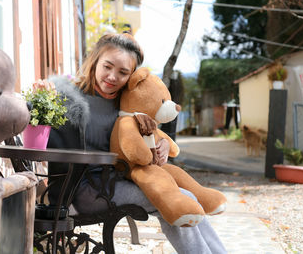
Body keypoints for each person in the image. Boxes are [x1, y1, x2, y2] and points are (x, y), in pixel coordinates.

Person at [35, 33, 227, 254]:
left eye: (123, 72)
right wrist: (42, 100)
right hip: (82, 191)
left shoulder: (126, 104)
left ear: (131, 76)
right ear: (95, 61)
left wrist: (161, 145)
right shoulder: (67, 98)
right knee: (179, 201)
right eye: (107, 66)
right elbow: (39, 137)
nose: (112, 76)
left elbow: (144, 137)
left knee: (187, 199)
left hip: (115, 182)